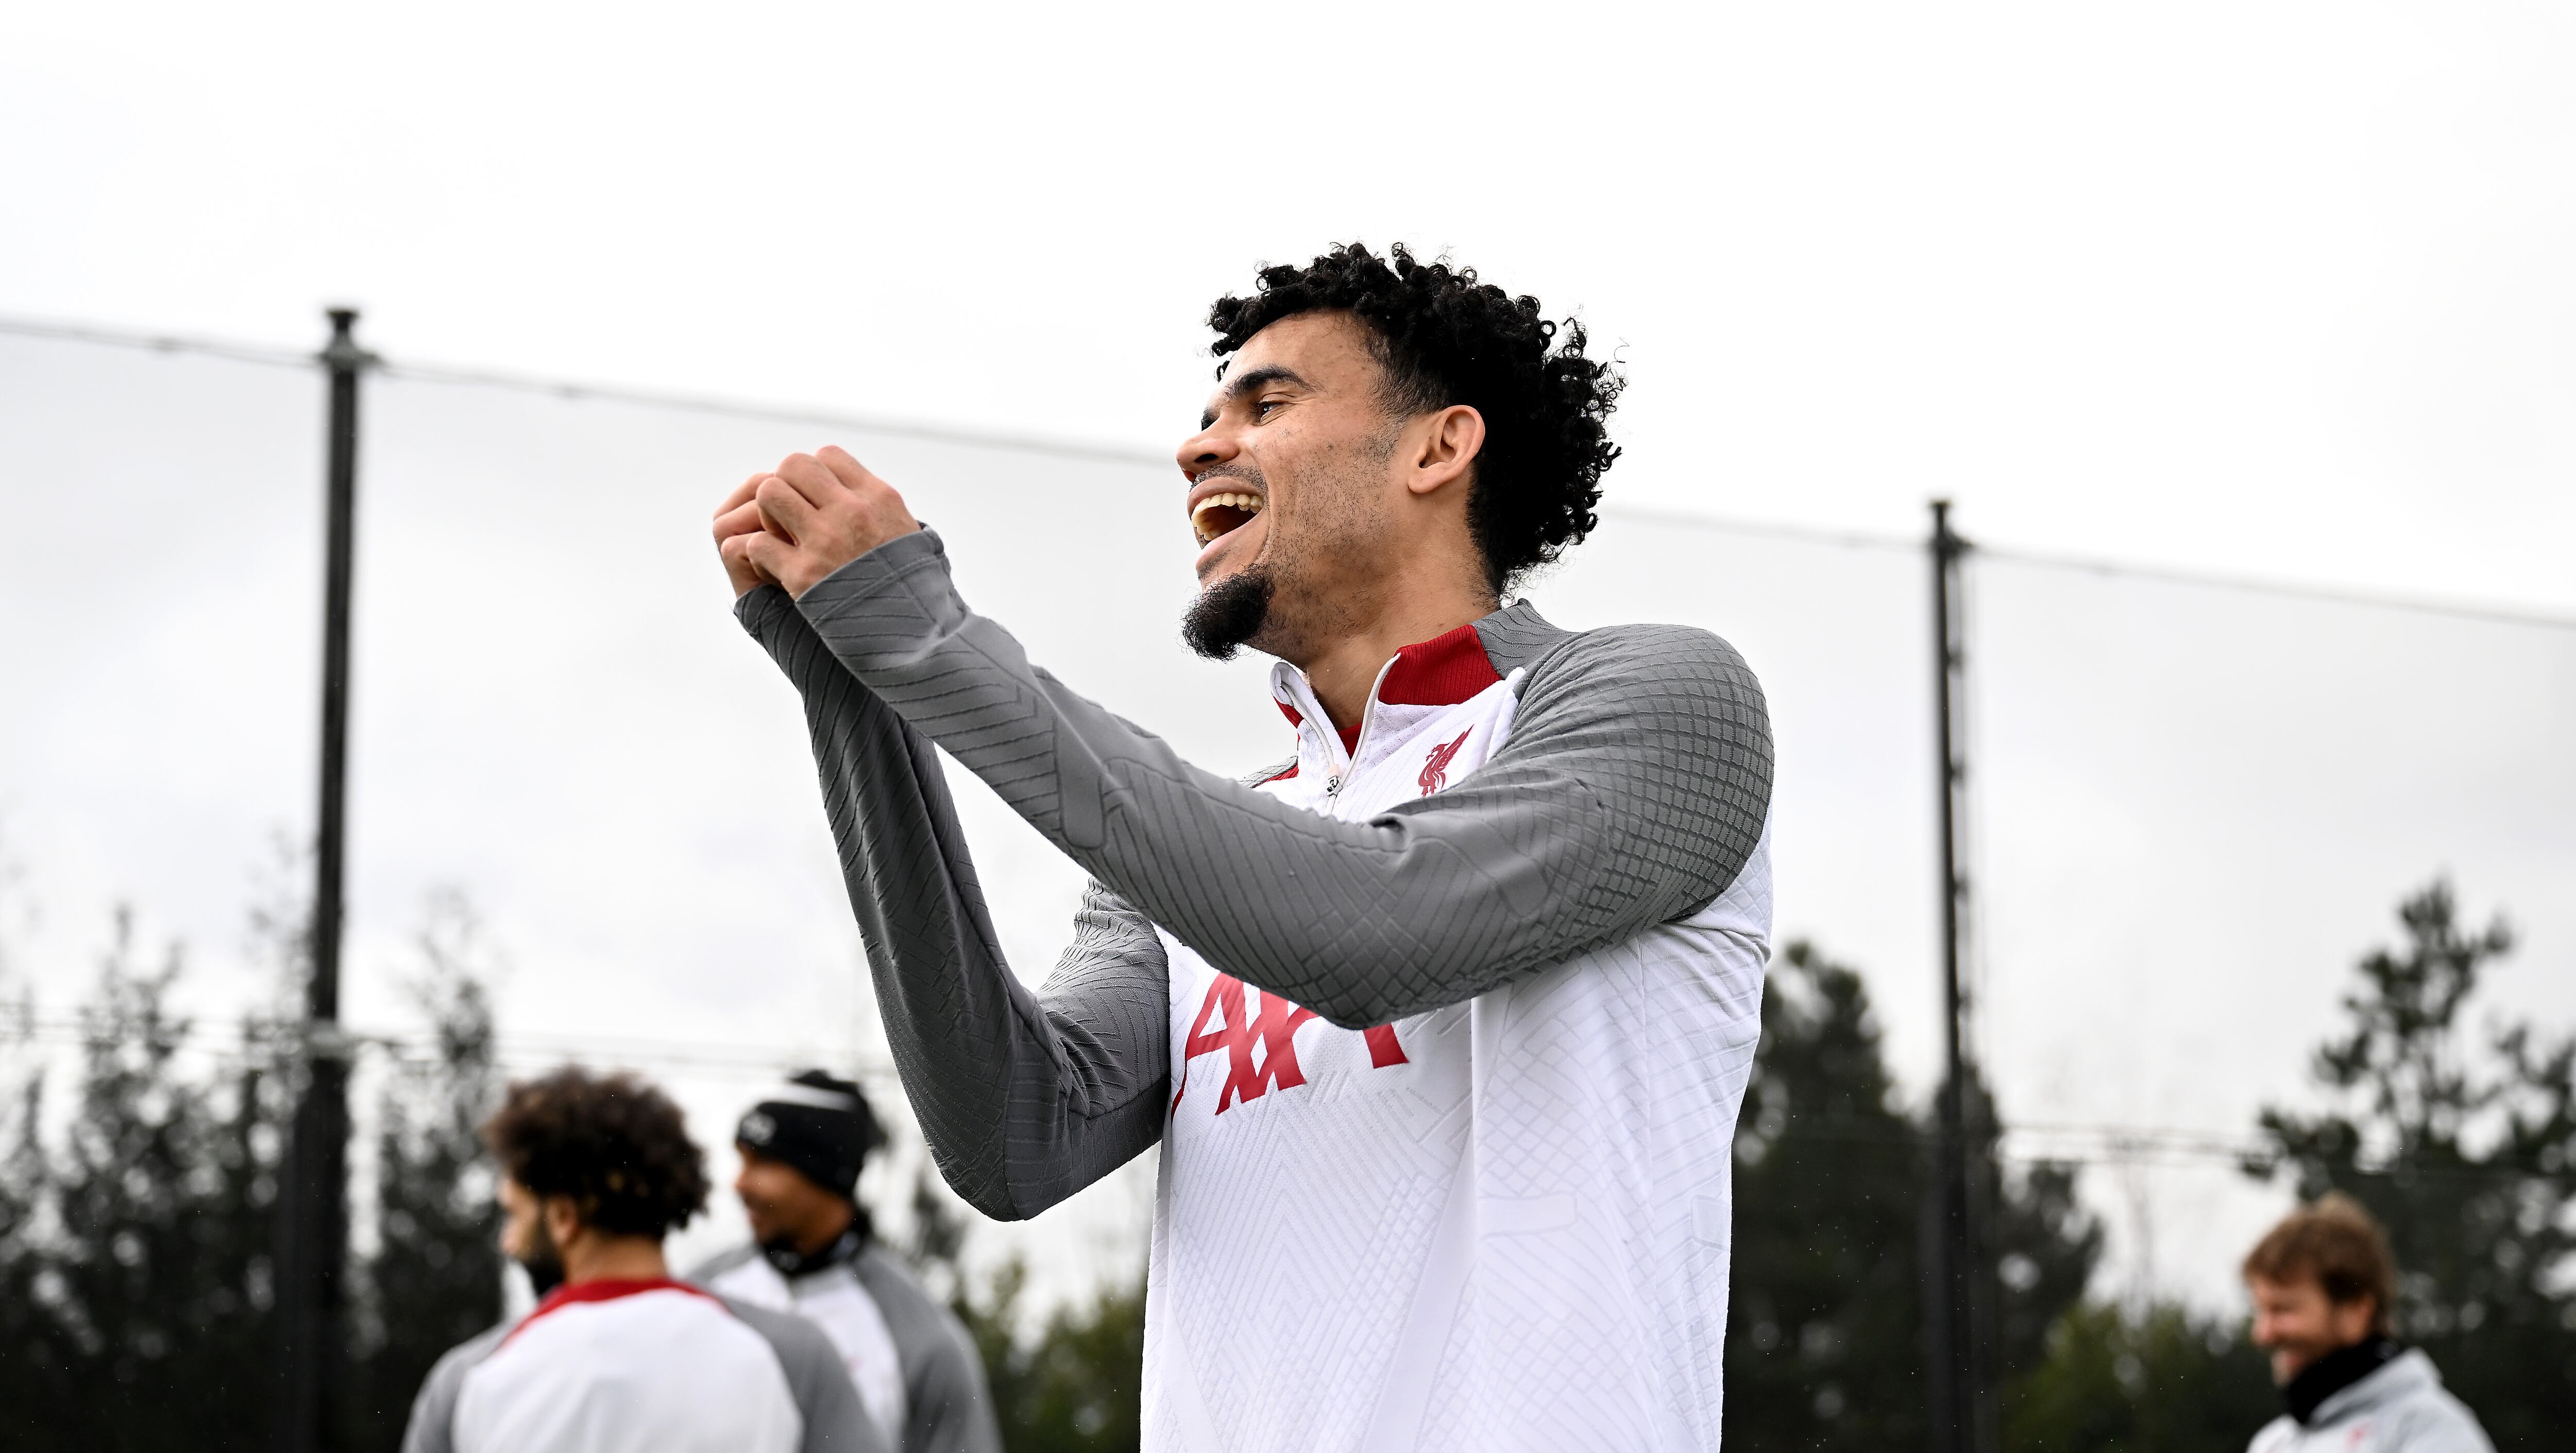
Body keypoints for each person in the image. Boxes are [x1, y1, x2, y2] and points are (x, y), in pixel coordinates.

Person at [711, 242, 1774, 1451]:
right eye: (1209, 413)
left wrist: (932, 640)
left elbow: (1371, 927)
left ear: (1438, 447)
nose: (1197, 446)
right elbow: (1013, 1136)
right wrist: (855, 694)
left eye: (1266, 402)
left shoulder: (1662, 699)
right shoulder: (1204, 847)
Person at [401, 1067, 885, 1453]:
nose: (509, 1243)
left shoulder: (471, 1378)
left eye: (515, 1214)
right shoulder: (795, 1356)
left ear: (565, 1217)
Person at [689, 1071, 999, 1453]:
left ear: (823, 1172)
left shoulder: (924, 1339)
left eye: (764, 1162)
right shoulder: (701, 1293)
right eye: (742, 1160)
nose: (740, 1184)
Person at [2242, 1193, 2494, 1452]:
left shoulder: (2431, 1431)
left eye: (2283, 1310)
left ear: (2355, 1310)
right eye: (2260, 1311)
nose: (2263, 1334)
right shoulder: (2272, 1444)